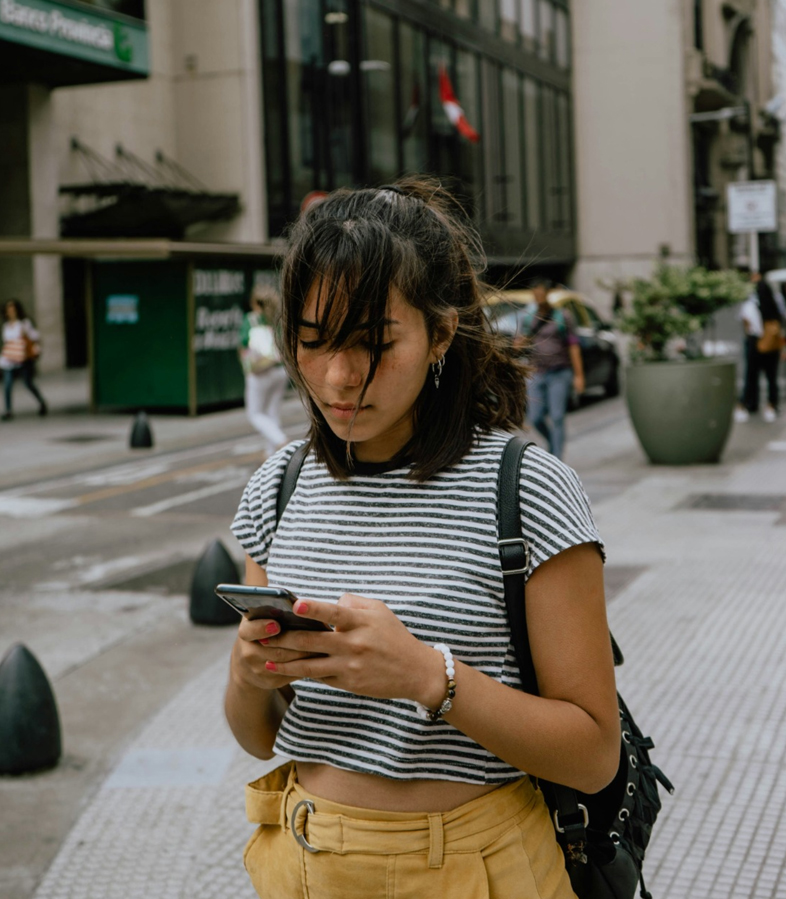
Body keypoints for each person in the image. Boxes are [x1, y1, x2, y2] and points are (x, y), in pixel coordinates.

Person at [226, 178, 619, 899]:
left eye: (373, 343)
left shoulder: (527, 488)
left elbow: (594, 753)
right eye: (312, 343)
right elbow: (259, 734)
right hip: (302, 861)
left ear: (440, 332)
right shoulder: (278, 486)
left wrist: (426, 676)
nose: (338, 377)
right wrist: (248, 675)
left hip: (476, 868)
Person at [517, 279, 585, 460]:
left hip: (560, 372)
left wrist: (579, 376)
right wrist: (518, 344)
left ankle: (556, 458)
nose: (538, 298)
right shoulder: (528, 317)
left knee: (557, 417)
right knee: (535, 417)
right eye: (535, 294)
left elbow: (573, 346)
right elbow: (521, 341)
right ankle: (552, 443)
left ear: (548, 294)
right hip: (536, 371)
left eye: (541, 294)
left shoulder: (562, 316)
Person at [239, 285, 289, 455]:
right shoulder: (278, 319)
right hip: (280, 370)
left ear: (255, 302)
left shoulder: (251, 319)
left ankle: (281, 441)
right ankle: (272, 455)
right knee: (273, 412)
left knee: (255, 414)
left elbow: (244, 343)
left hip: (259, 372)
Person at [735, 271, 784, 423]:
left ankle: (752, 404)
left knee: (752, 374)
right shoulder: (775, 299)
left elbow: (745, 321)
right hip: (770, 341)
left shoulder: (750, 301)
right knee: (770, 376)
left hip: (755, 340)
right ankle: (770, 404)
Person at [1, 299, 47, 421]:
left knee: (28, 383)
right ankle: (8, 410)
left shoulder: (24, 323)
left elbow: (35, 336)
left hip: (23, 358)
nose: (10, 312)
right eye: (8, 310)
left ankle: (41, 402)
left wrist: (25, 334)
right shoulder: (6, 326)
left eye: (12, 309)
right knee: (7, 384)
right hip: (9, 359)